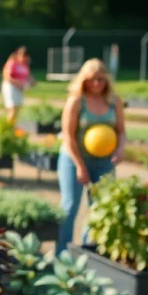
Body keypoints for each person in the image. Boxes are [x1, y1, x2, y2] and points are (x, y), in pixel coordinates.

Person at [56, 58, 126, 253]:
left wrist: (120, 149)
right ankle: (62, 254)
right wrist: (80, 166)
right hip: (73, 159)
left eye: (100, 79)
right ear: (83, 80)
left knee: (99, 208)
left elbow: (121, 130)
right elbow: (68, 136)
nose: (96, 84)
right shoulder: (76, 101)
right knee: (69, 207)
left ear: (107, 80)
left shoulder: (114, 101)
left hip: (104, 162)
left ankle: (88, 250)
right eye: (92, 79)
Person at [2, 46, 34, 125]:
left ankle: (12, 126)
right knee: (12, 109)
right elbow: (7, 76)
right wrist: (18, 83)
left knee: (16, 110)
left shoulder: (24, 65)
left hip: (20, 89)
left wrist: (32, 82)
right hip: (11, 87)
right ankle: (8, 127)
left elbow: (28, 76)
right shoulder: (12, 63)